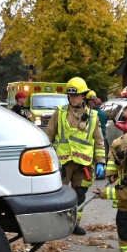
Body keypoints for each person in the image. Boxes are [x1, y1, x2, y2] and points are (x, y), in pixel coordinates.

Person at [45, 77, 106, 235]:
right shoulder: (60, 112)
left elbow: (98, 140)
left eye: (76, 95)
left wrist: (101, 162)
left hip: (83, 165)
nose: (73, 98)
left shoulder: (93, 116)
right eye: (71, 95)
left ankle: (74, 224)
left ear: (83, 96)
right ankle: (60, 225)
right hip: (63, 163)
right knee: (61, 196)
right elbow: (48, 135)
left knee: (79, 195)